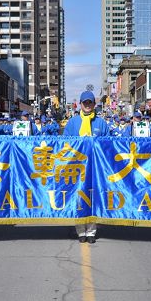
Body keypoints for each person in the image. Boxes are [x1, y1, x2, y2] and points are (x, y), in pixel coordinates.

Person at [63, 91, 109, 244]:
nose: (87, 105)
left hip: (95, 166)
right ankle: (80, 230)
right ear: (81, 104)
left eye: (90, 103)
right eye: (85, 103)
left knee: (93, 196)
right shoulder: (72, 122)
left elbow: (108, 143)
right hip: (77, 165)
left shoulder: (101, 123)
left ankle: (91, 231)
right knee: (78, 197)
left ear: (94, 104)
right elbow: (65, 143)